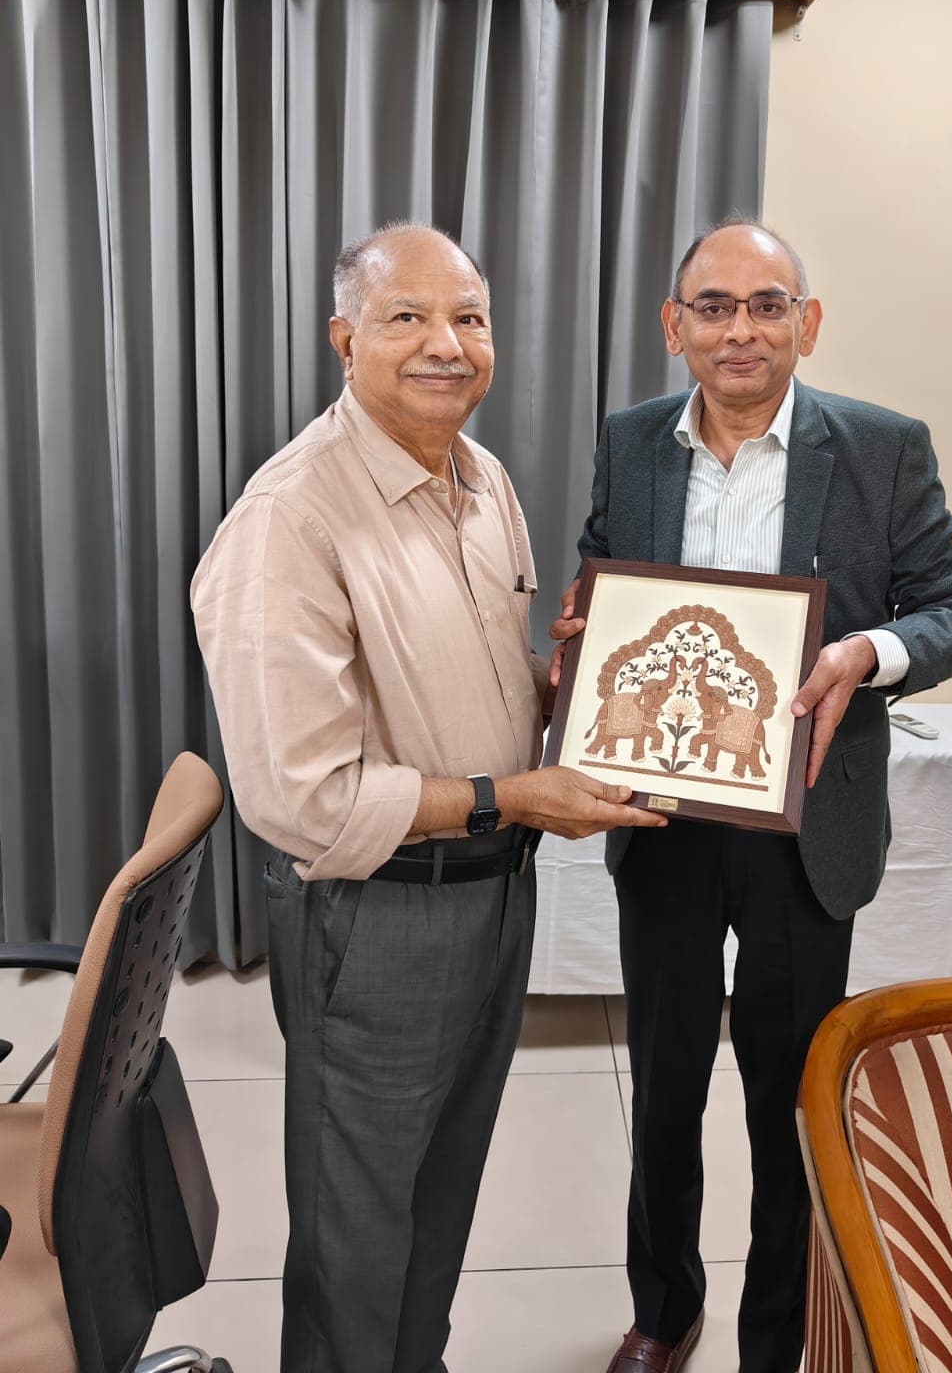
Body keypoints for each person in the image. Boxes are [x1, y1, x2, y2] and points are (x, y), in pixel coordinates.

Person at [191, 222, 665, 1373]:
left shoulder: (479, 474)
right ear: (346, 339)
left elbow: (473, 681)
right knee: (357, 1232)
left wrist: (573, 685)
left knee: (441, 1191)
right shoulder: (289, 521)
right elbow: (303, 798)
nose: (445, 344)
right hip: (378, 918)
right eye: (407, 318)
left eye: (469, 317)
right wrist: (517, 794)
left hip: (494, 897)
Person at [553, 219, 952, 1373]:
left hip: (810, 824)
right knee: (663, 1084)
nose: (738, 329)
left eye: (764, 304)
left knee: (786, 1096)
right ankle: (667, 1309)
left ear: (807, 321)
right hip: (663, 820)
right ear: (674, 326)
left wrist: (870, 653)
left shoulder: (885, 448)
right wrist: (583, 635)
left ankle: (776, 1331)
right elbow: (607, 569)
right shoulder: (634, 440)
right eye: (712, 306)